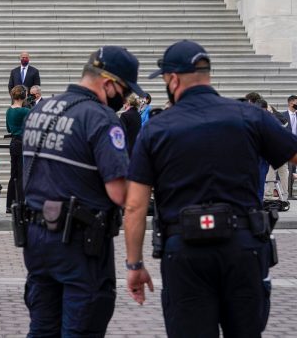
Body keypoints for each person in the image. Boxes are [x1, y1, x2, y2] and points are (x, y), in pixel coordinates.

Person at [124, 40, 297, 338]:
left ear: (173, 79)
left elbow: (135, 205)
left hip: (185, 249)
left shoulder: (157, 128)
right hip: (243, 246)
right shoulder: (250, 116)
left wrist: (135, 263)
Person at [22, 46, 145, 337]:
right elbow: (119, 193)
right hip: (80, 241)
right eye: (125, 90)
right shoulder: (100, 118)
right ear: (108, 83)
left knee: (42, 328)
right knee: (82, 326)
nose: (125, 98)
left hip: (37, 236)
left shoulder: (41, 109)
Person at [5, 85, 30, 213]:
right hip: (22, 143)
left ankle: (9, 204)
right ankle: (21, 202)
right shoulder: (25, 111)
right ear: (23, 95)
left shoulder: (9, 110)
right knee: (21, 174)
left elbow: (9, 129)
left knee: (13, 174)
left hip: (13, 142)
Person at [286, 95, 297, 198]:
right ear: (291, 103)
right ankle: (288, 193)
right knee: (290, 169)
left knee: (293, 170)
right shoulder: (283, 115)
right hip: (289, 145)